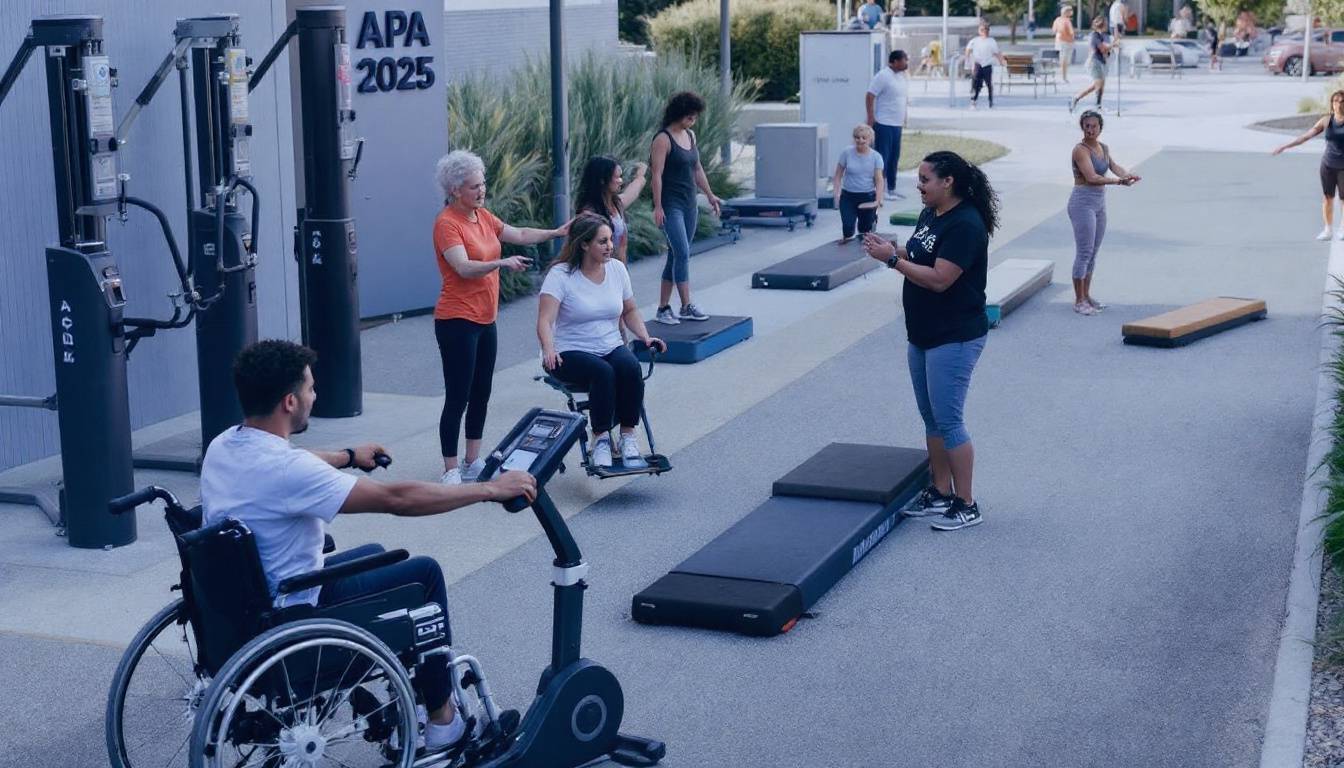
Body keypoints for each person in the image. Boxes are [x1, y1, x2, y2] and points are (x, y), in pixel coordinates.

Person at [201, 339, 538, 753]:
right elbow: (396, 499)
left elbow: (293, 463)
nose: (315, 395)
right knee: (423, 574)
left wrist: (346, 456)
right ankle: (441, 721)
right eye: (310, 388)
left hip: (248, 610)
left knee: (374, 553)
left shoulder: (224, 446)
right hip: (295, 614)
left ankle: (407, 692)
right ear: (289, 402)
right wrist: (488, 489)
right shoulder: (291, 470)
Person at [860, 151, 997, 531]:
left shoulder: (965, 224)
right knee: (931, 417)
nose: (918, 185)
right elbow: (919, 254)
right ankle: (940, 491)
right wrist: (888, 251)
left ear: (947, 181)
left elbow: (939, 279)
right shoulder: (931, 212)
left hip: (954, 335)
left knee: (949, 420)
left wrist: (892, 262)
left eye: (924, 179)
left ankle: (966, 502)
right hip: (922, 332)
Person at [433, 150, 568, 485]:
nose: (482, 191)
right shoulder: (447, 224)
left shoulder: (484, 217)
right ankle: (450, 469)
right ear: (455, 191)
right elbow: (463, 268)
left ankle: (471, 461)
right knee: (458, 394)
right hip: (456, 320)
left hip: (484, 319)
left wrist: (555, 232)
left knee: (481, 391)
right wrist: (501, 264)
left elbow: (519, 234)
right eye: (474, 187)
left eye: (483, 184)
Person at [537, 213, 666, 467]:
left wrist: (645, 337)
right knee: (603, 372)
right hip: (568, 352)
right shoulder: (561, 275)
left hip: (609, 345)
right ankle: (601, 439)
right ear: (584, 244)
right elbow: (545, 320)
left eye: (610, 240)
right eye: (602, 241)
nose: (610, 246)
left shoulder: (617, 269)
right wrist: (549, 349)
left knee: (629, 367)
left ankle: (628, 436)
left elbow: (629, 311)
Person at [650, 91, 723, 325]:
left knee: (676, 255)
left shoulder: (690, 135)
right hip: (671, 206)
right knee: (682, 252)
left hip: (689, 203)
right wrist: (658, 206)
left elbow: (697, 168)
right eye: (690, 117)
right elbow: (656, 175)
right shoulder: (662, 139)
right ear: (679, 114)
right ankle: (686, 305)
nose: (693, 121)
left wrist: (710, 196)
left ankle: (663, 309)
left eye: (695, 118)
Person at [1067, 110, 1140, 315]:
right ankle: (1079, 300)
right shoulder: (1080, 150)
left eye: (1094, 126)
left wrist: (1128, 175)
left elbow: (1114, 166)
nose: (1090, 130)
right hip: (1082, 202)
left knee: (1093, 252)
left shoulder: (1103, 148)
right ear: (1082, 127)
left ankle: (1087, 296)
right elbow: (1091, 177)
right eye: (1086, 126)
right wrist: (1118, 182)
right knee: (1084, 252)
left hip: (1099, 203)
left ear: (1100, 128)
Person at [1272, 90, 1344, 241]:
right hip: (1328, 165)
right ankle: (1328, 230)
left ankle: (1343, 229)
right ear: (1332, 104)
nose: (1338, 104)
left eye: (1341, 101)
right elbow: (1306, 136)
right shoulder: (1326, 121)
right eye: (1335, 101)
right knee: (1327, 198)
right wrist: (1286, 146)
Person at [575, 155, 647, 264]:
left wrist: (640, 176)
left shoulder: (616, 204)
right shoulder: (590, 213)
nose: (621, 181)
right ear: (602, 180)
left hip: (620, 271)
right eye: (617, 177)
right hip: (602, 274)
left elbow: (632, 192)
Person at [866, 50, 910, 198]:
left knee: (894, 157)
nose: (907, 63)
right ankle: (881, 189)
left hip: (897, 123)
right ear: (895, 61)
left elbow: (902, 99)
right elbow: (870, 95)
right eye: (905, 60)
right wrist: (871, 117)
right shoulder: (883, 76)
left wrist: (905, 116)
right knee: (883, 157)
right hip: (884, 122)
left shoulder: (902, 77)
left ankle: (891, 187)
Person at [832, 124, 885, 243]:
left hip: (867, 196)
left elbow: (879, 180)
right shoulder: (846, 153)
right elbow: (838, 175)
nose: (860, 140)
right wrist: (837, 193)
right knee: (848, 227)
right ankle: (847, 244)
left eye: (863, 138)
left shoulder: (876, 157)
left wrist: (879, 199)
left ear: (870, 140)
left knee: (864, 231)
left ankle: (872, 220)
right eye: (857, 137)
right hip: (848, 196)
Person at [1070, 16, 1110, 113]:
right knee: (1098, 85)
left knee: (1098, 85)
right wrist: (1112, 46)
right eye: (1105, 23)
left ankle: (1077, 99)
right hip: (1094, 62)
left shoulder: (1102, 35)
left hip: (1100, 62)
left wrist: (1110, 48)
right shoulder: (1094, 35)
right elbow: (1102, 48)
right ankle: (1096, 105)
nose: (1107, 25)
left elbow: (1106, 51)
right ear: (1102, 24)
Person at [965, 21, 1006, 109]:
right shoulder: (975, 41)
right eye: (982, 30)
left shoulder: (991, 41)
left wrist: (1002, 61)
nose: (985, 32)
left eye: (986, 30)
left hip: (987, 65)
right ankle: (973, 101)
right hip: (978, 64)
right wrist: (967, 61)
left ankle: (990, 101)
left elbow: (996, 52)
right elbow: (968, 50)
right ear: (979, 31)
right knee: (975, 83)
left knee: (989, 84)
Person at [1053, 6, 1076, 82]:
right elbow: (1071, 32)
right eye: (1070, 11)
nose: (1071, 13)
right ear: (1066, 12)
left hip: (1059, 41)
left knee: (1063, 59)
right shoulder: (1067, 21)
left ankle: (1063, 76)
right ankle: (1064, 76)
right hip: (1067, 42)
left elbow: (1054, 30)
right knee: (1065, 60)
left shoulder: (1057, 20)